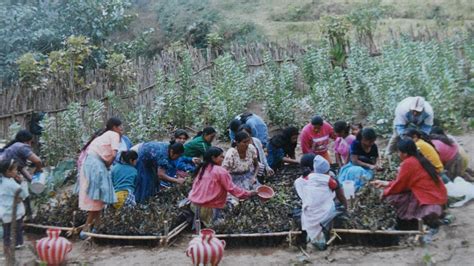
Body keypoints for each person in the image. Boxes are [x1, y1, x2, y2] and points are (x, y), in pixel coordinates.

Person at [371, 139, 447, 229]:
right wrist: (386, 183)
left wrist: (384, 193)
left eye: (399, 152)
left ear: (405, 153)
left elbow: (400, 185)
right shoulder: (420, 158)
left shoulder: (408, 163)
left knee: (392, 198)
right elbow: (405, 183)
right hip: (439, 194)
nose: (398, 154)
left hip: (429, 196)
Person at [188, 147, 256, 226]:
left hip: (194, 204)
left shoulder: (202, 168)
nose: (223, 158)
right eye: (221, 156)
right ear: (213, 158)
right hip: (208, 206)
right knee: (215, 225)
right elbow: (232, 189)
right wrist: (249, 193)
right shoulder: (220, 171)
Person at [78, 117, 123, 233]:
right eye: (120, 127)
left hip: (89, 164)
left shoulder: (103, 136)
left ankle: (97, 226)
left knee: (98, 196)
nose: (122, 129)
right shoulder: (114, 135)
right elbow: (113, 155)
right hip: (96, 165)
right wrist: (108, 165)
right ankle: (86, 228)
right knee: (97, 198)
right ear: (114, 127)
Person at [295, 154, 347, 249]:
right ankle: (325, 234)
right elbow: (341, 195)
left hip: (309, 213)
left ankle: (310, 238)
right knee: (334, 209)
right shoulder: (330, 179)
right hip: (324, 211)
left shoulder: (305, 179)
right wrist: (346, 206)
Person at [0, 130, 43, 220]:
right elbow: (38, 161)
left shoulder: (15, 147)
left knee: (19, 190)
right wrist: (38, 169)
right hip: (3, 173)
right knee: (17, 192)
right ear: (26, 141)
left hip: (4, 173)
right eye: (31, 142)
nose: (30, 145)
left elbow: (21, 168)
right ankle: (20, 217)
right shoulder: (21, 147)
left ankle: (26, 215)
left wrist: (32, 179)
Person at [1, 158, 28, 254]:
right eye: (15, 169)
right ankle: (18, 244)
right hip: (14, 212)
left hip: (4, 212)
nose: (17, 171)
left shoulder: (2, 182)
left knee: (6, 230)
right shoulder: (12, 184)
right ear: (8, 171)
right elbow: (23, 195)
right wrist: (23, 182)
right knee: (17, 229)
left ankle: (6, 245)